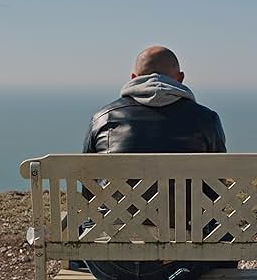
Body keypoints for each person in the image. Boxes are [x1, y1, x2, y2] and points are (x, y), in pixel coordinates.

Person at [81, 46, 230, 280]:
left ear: (133, 78)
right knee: (225, 233)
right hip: (180, 259)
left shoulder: (102, 119)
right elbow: (216, 192)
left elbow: (88, 194)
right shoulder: (206, 120)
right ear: (180, 78)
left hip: (110, 262)